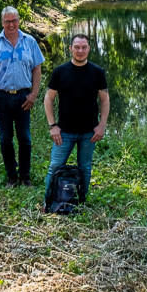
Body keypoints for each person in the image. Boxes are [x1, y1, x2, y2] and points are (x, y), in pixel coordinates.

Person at [43, 34, 109, 208]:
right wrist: (52, 126)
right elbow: (48, 99)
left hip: (89, 132)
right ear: (70, 48)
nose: (80, 51)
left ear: (89, 49)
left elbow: (105, 100)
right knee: (55, 166)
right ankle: (48, 202)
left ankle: (81, 202)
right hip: (64, 132)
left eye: (84, 47)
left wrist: (102, 125)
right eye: (77, 47)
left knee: (85, 168)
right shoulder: (60, 71)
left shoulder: (97, 72)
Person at [0, 6, 45, 187]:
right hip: (1, 97)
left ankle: (25, 176)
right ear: (2, 22)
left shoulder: (30, 41)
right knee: (5, 138)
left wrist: (33, 94)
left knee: (25, 138)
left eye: (14, 20)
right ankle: (11, 176)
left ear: (19, 21)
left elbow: (37, 68)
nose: (11, 24)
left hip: (24, 97)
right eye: (7, 21)